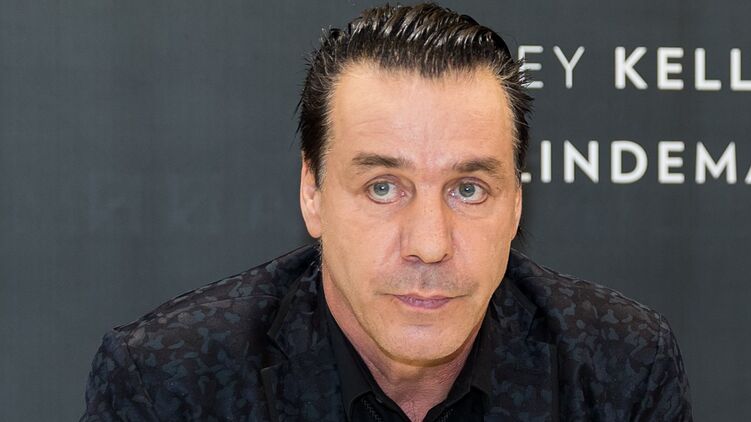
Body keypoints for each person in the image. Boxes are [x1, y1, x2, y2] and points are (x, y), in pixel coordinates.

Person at [80, 3, 692, 421]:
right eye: (382, 188)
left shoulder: (619, 371)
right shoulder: (170, 385)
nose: (429, 243)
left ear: (516, 205)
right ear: (312, 192)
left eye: (468, 190)